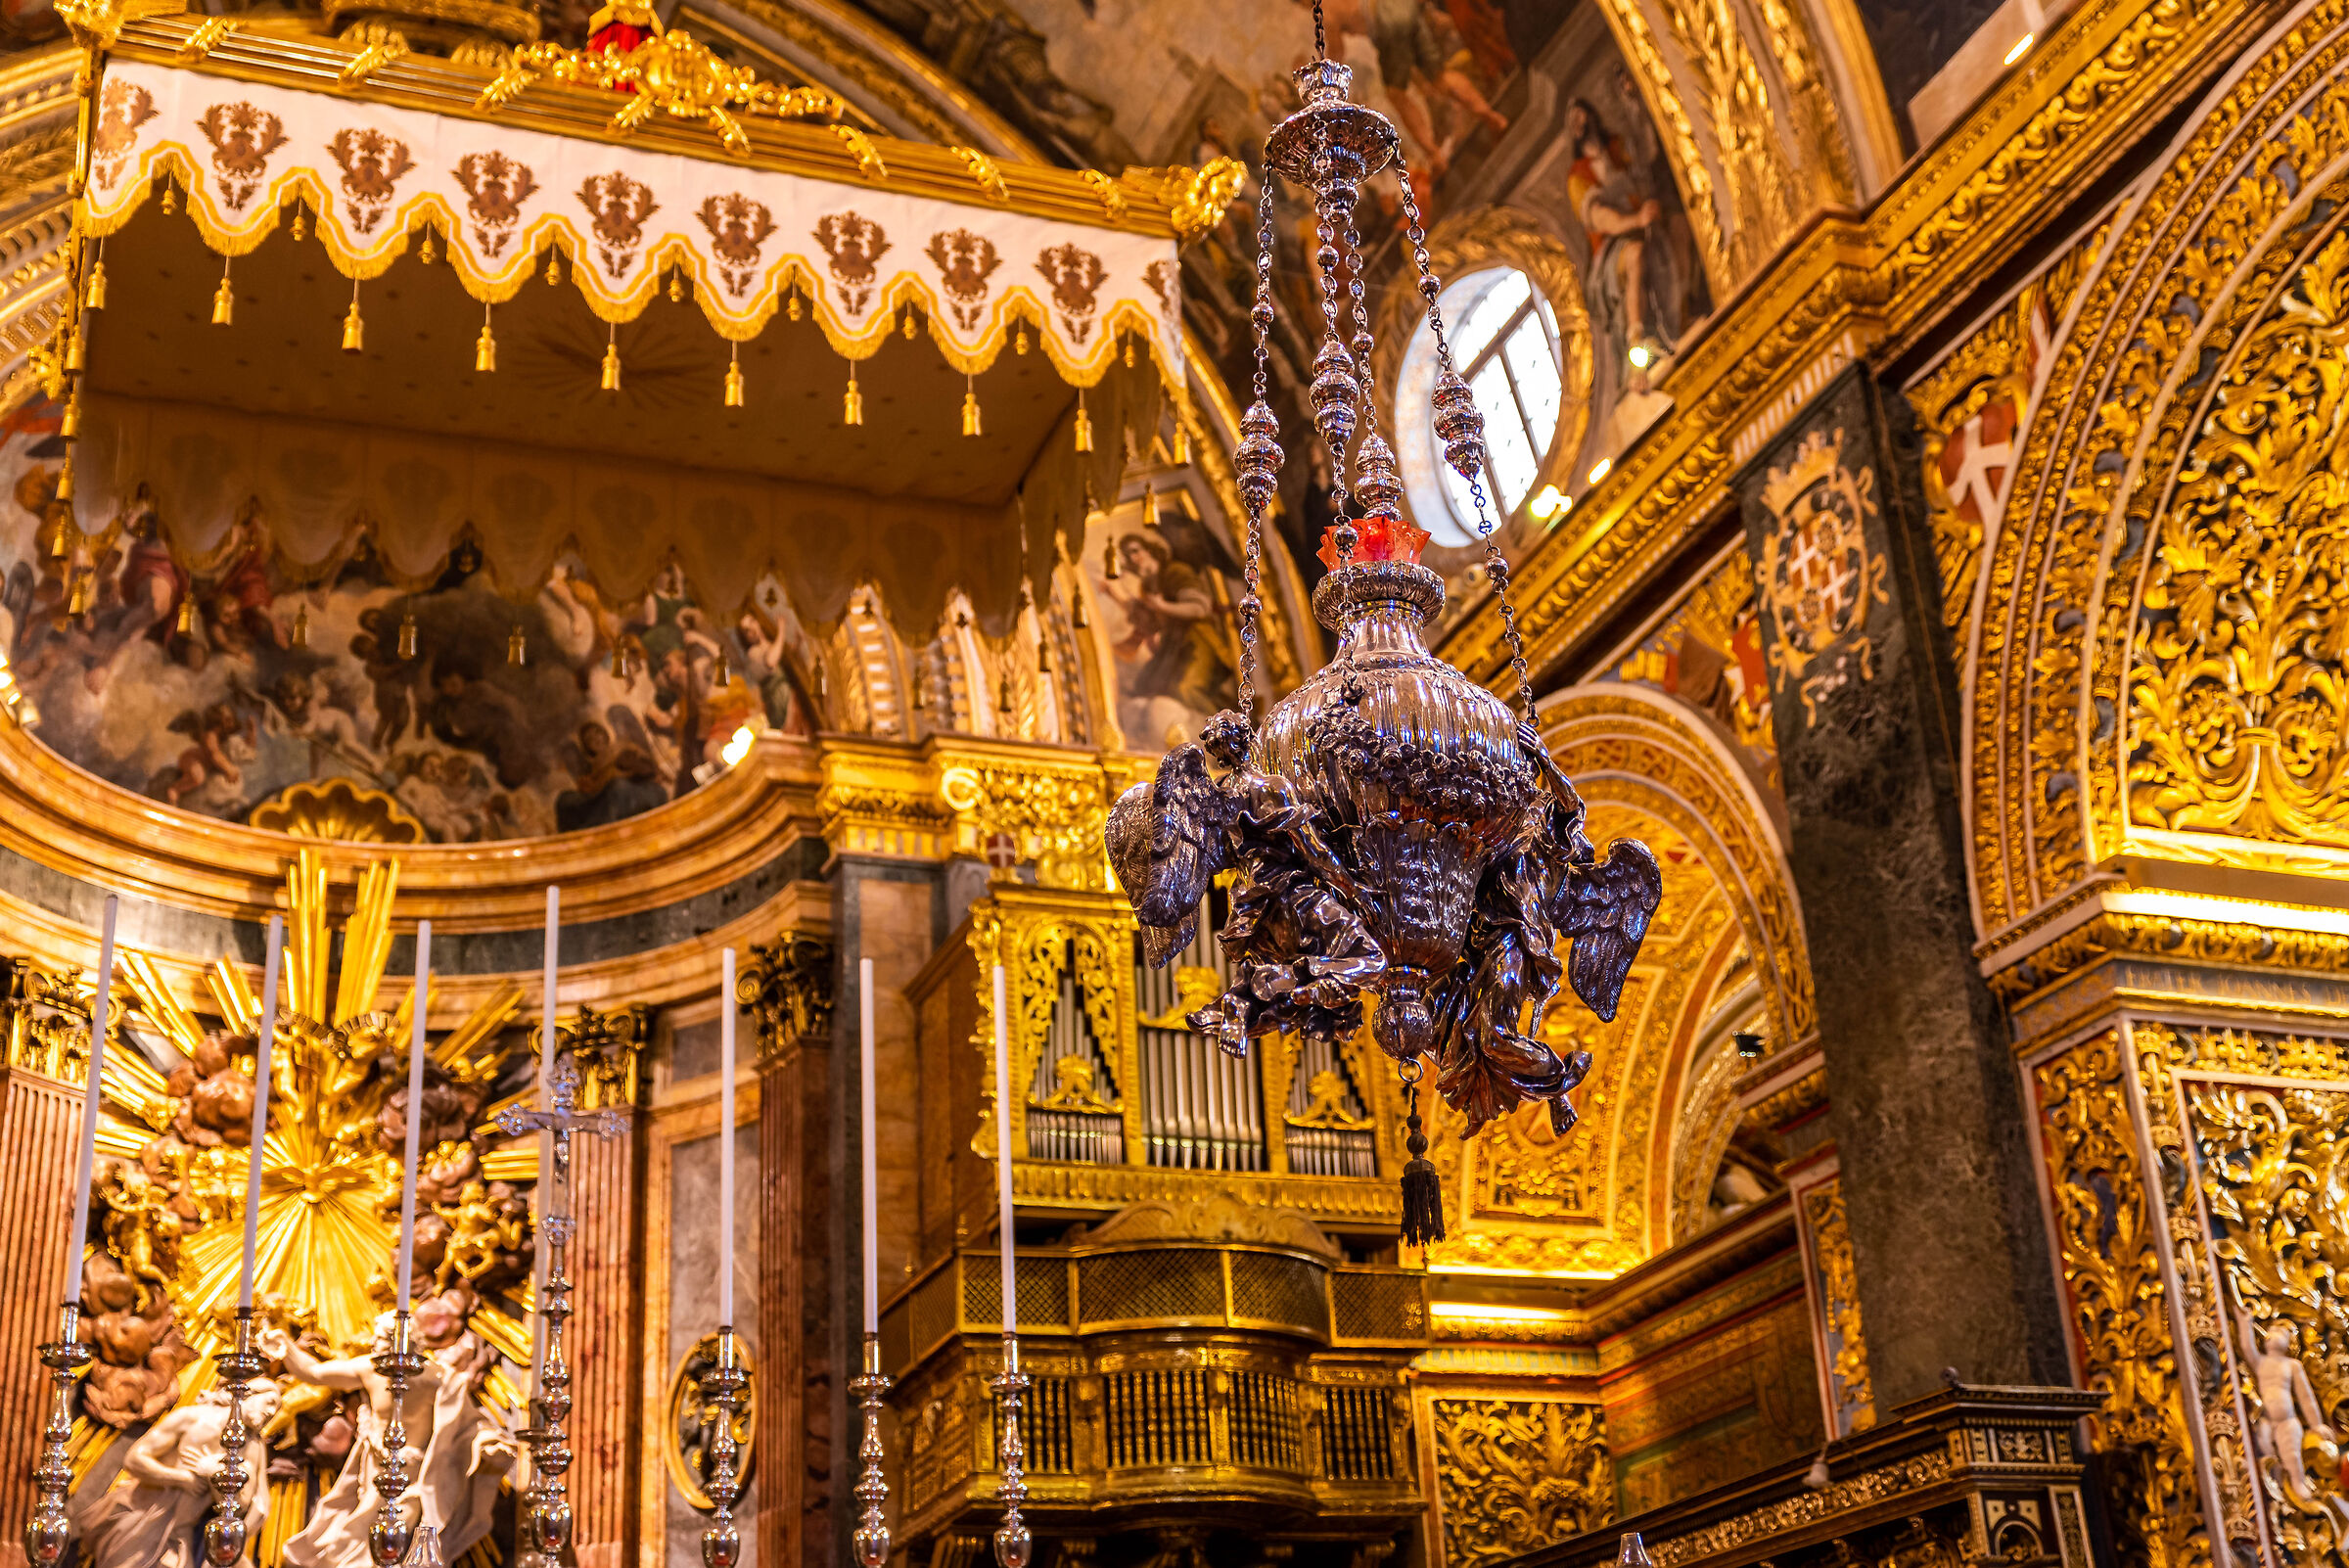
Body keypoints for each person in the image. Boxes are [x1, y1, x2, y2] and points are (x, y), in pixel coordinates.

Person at [260, 1314, 515, 1567]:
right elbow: (314, 1372)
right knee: (352, 1535)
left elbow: (466, 1423)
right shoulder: (371, 1368)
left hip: (414, 1475)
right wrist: (285, 1344)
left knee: (398, 1536)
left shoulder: (439, 1378)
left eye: (382, 1338)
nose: (376, 1343)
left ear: (403, 1339)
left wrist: (487, 1442)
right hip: (372, 1468)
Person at [76, 1382, 281, 1568]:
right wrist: (181, 1479)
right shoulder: (191, 1418)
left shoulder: (253, 1446)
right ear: (248, 1394)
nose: (271, 1412)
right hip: (141, 1518)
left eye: (276, 1409)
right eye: (270, 1402)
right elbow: (134, 1459)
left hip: (182, 1533)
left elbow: (243, 1504)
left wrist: (213, 1474)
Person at [1566, 96, 1682, 379]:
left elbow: (1642, 167)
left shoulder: (1617, 149)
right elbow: (1599, 218)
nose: (1581, 123)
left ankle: (1684, 313)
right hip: (1611, 249)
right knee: (1635, 254)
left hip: (1645, 224)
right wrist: (1636, 219)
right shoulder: (1578, 177)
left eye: (1583, 115)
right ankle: (1637, 341)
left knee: (1680, 226)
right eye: (1574, 121)